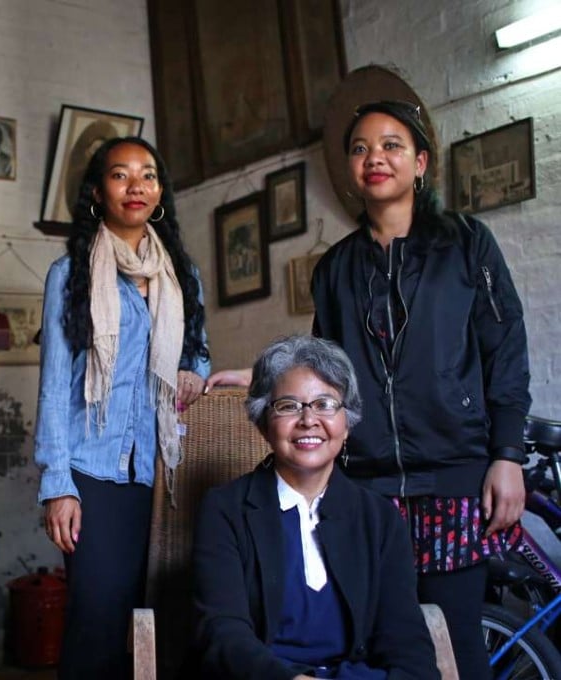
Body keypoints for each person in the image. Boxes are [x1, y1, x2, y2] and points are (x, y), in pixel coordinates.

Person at [306, 100, 530, 679]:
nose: (374, 157)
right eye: (359, 148)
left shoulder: (466, 245)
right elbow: (324, 370)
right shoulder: (334, 268)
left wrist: (506, 456)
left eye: (390, 145)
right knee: (383, 646)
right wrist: (260, 376)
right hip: (367, 486)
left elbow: (504, 353)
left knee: (458, 645)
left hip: (455, 477)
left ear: (420, 161)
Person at [35, 136, 211, 678]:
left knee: (155, 617)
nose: (136, 185)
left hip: (161, 472)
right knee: (97, 620)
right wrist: (57, 484)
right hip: (92, 472)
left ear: (160, 193)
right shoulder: (72, 275)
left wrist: (193, 373)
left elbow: (198, 355)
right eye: (120, 174)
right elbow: (54, 386)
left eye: (149, 175)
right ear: (97, 191)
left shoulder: (181, 277)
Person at [194, 335, 438, 679]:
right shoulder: (225, 511)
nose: (309, 420)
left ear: (347, 423)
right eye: (289, 406)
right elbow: (223, 635)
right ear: (264, 424)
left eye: (325, 404)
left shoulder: (379, 520)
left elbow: (408, 647)